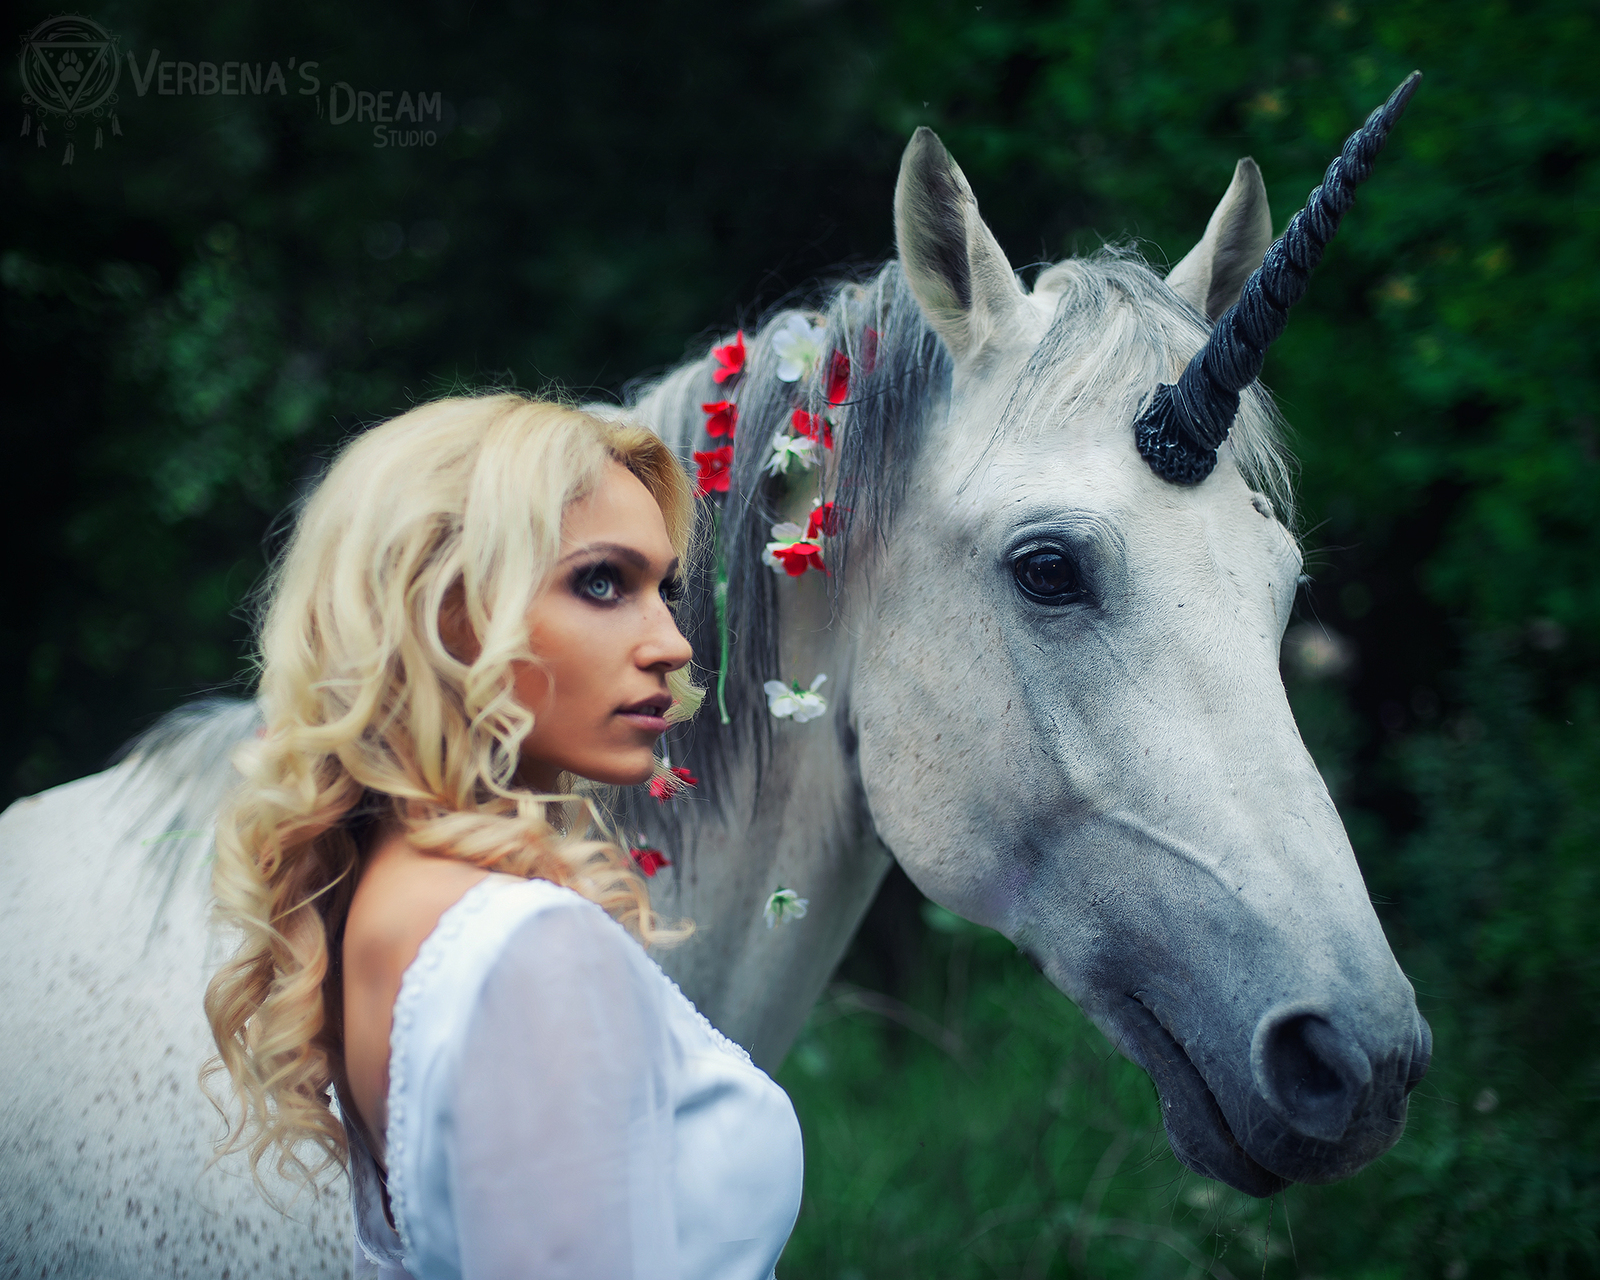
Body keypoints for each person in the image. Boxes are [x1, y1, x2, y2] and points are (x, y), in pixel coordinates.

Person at [204, 395, 804, 1279]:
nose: (674, 644)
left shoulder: (373, 906)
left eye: (664, 589)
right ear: (442, 610)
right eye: (602, 581)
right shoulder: (525, 944)